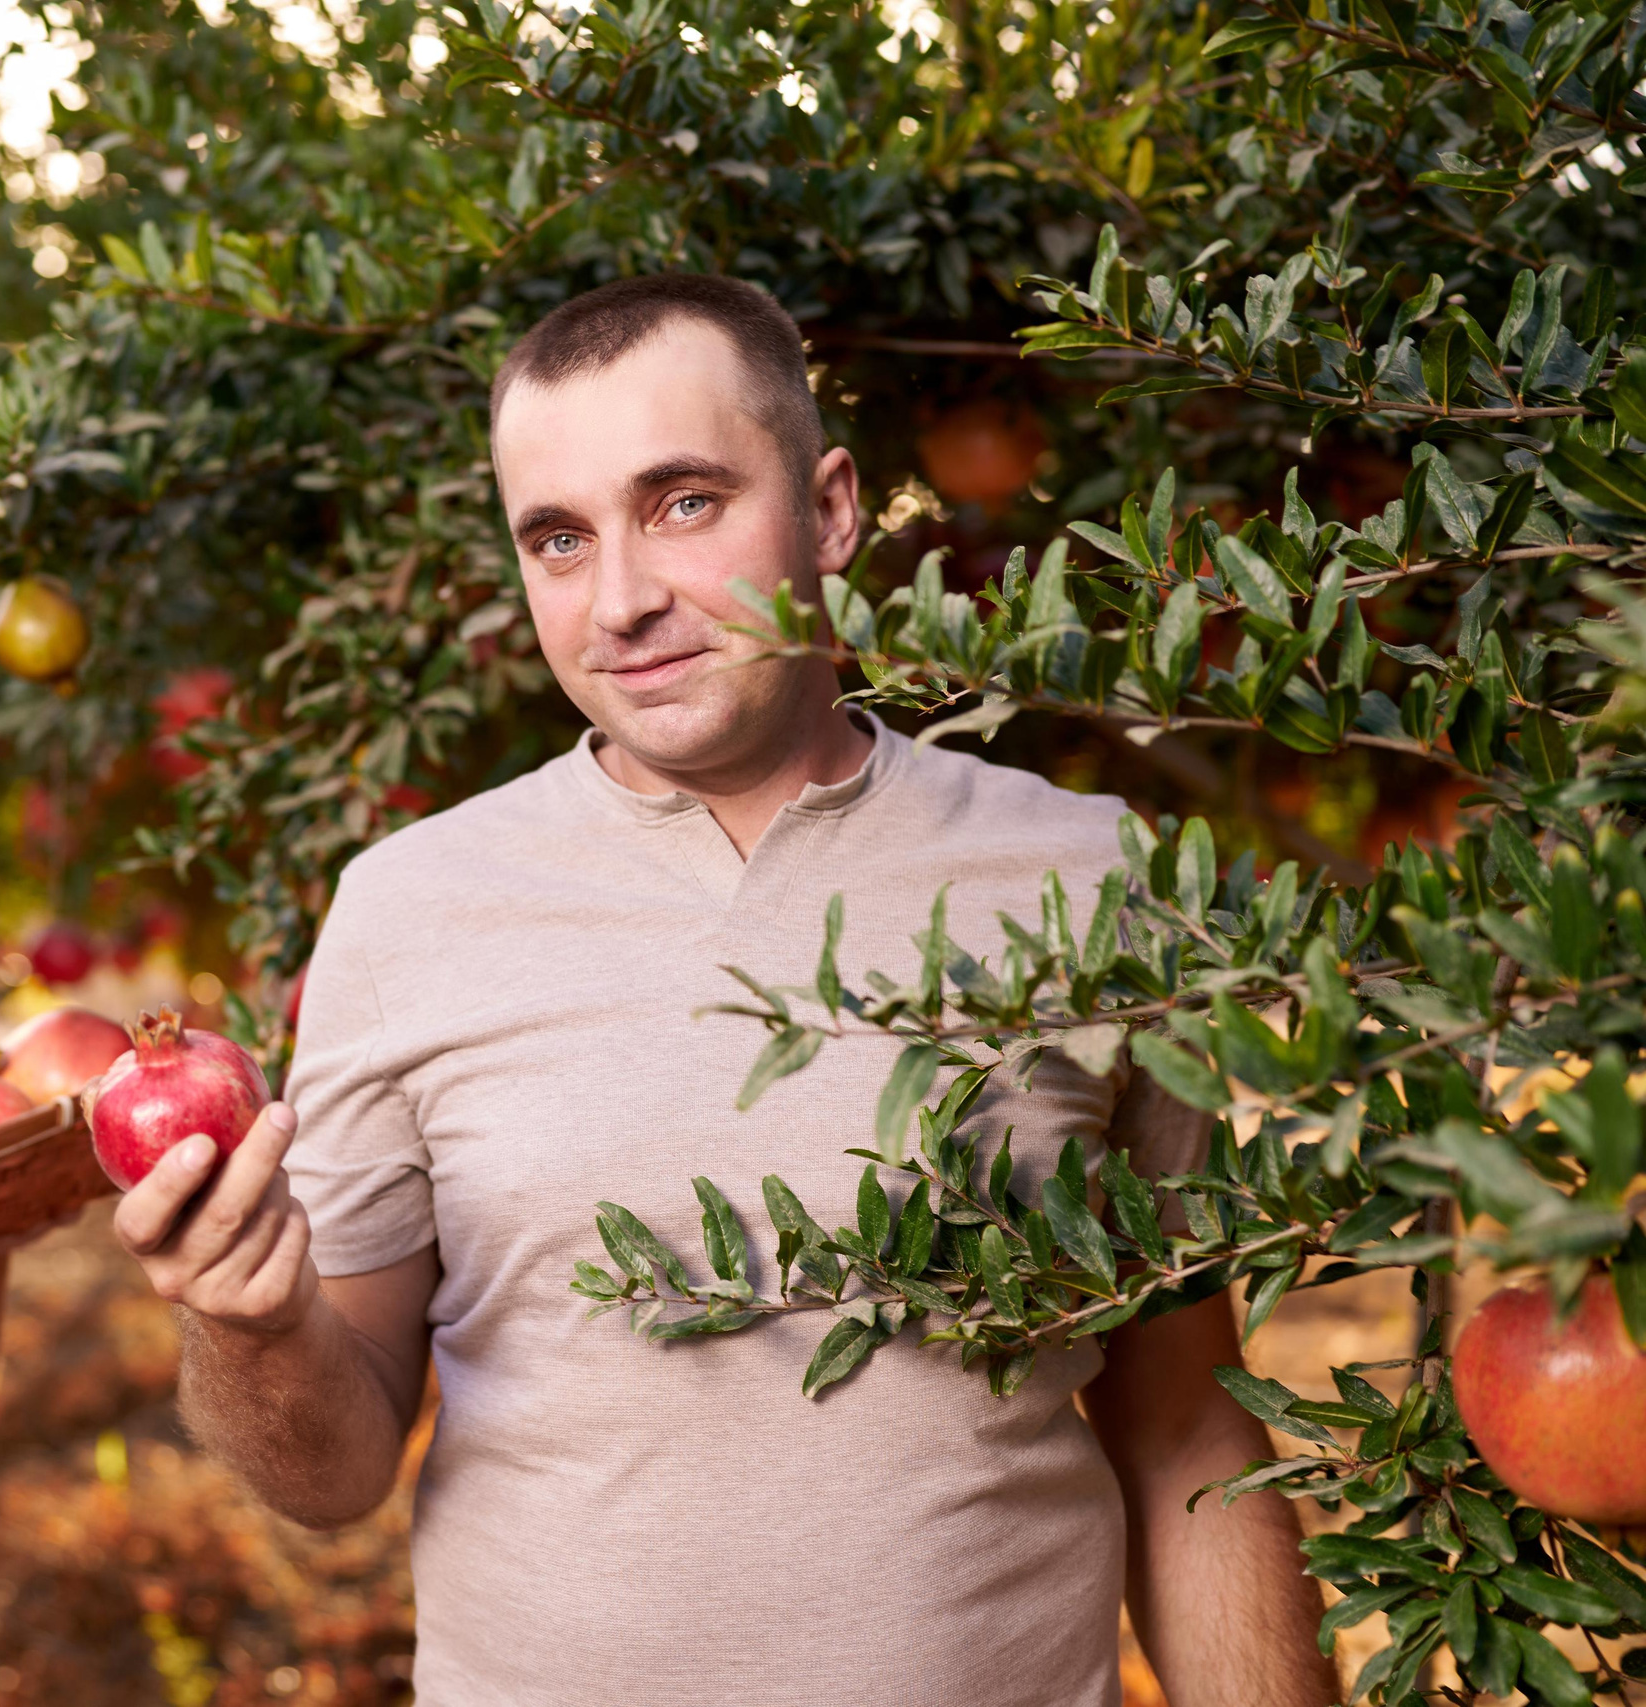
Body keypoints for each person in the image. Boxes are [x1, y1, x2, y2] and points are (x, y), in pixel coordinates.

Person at [110, 276, 1339, 1705]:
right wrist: (245, 1322)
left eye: (683, 501)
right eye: (558, 537)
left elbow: (1186, 1424)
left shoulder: (1097, 877)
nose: (621, 597)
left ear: (828, 510)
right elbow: (329, 1475)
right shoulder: (409, 911)